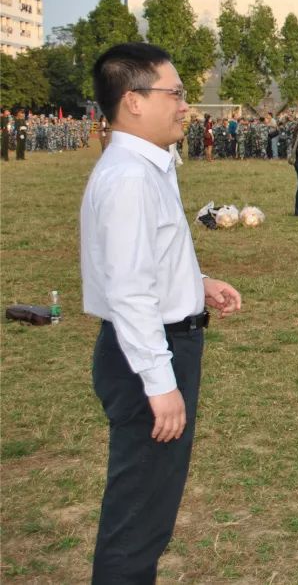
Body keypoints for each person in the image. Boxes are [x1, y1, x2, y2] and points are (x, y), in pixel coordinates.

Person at [80, 43, 242, 583]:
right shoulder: (130, 176)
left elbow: (146, 260)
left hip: (158, 342)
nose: (184, 106)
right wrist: (159, 381)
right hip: (149, 352)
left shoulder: (147, 166)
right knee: (137, 520)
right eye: (174, 93)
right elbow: (128, 290)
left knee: (147, 511)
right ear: (133, 100)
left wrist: (196, 284)